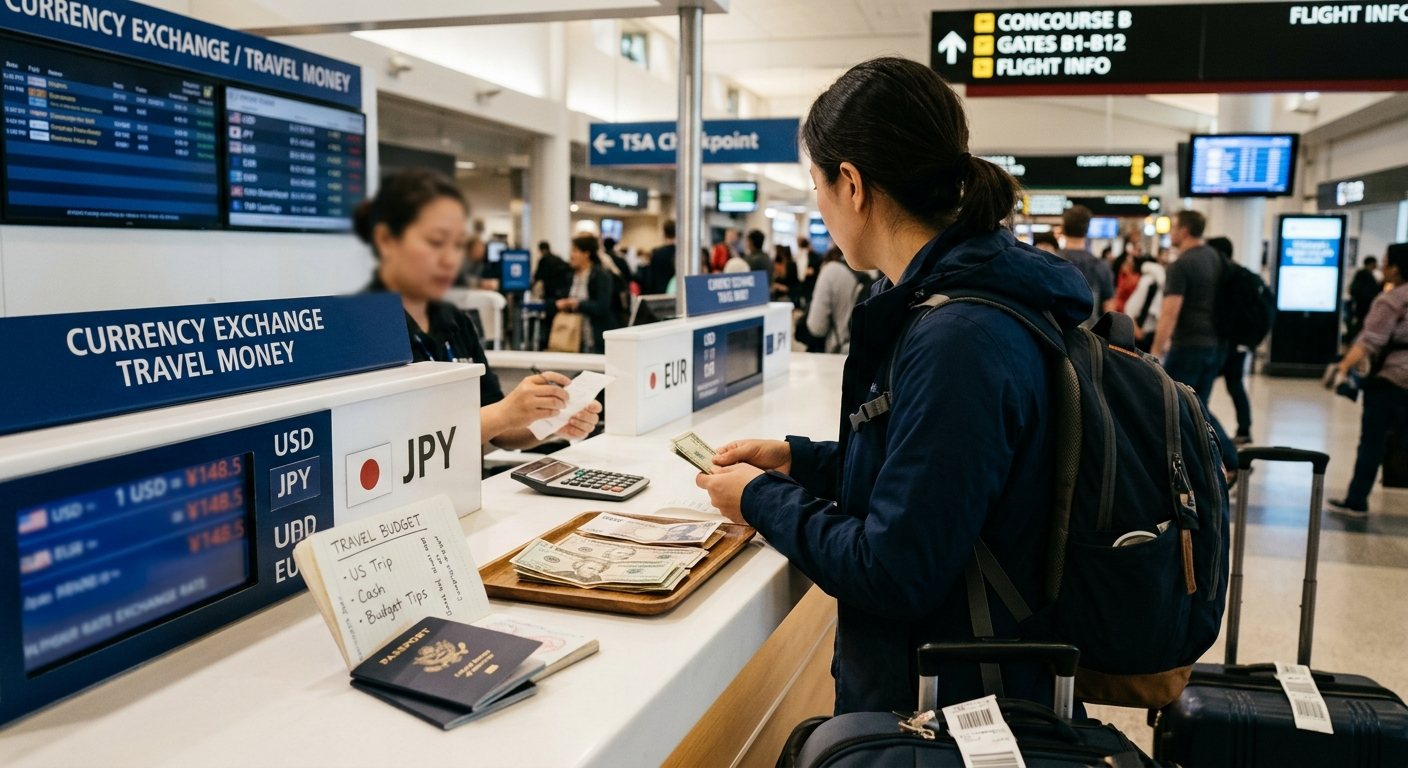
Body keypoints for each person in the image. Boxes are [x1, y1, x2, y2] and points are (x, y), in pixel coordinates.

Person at [694, 57, 1093, 715]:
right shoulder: (947, 305)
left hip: (957, 710)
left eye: (816, 187)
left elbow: (894, 569)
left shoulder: (958, 336)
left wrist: (761, 499)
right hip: (967, 681)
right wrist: (800, 460)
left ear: (850, 182)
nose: (819, 208)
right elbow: (929, 476)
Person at [355, 169, 600, 449]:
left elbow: (500, 434)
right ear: (387, 241)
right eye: (435, 242)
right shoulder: (364, 329)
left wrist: (552, 421)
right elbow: (397, 440)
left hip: (470, 489)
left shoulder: (455, 321)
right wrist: (503, 412)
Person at [1151, 210, 1237, 473]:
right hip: (1214, 346)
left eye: (1173, 228)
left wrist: (1154, 354)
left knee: (1170, 403)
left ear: (1184, 231)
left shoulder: (1182, 265)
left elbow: (1170, 313)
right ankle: (1215, 461)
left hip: (1188, 346)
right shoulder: (1216, 258)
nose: (1170, 233)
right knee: (1199, 408)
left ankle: (1229, 458)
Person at [1328, 244, 1408, 520]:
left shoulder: (1391, 300)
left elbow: (1370, 341)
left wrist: (1342, 367)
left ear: (1395, 268)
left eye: (1386, 263)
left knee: (1372, 441)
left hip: (1390, 381)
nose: (1383, 268)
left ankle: (1357, 500)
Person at [1205, 236, 1253, 445]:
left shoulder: (1228, 276)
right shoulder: (1241, 274)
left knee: (1201, 388)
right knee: (1235, 385)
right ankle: (1244, 429)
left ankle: (1217, 436)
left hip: (1228, 343)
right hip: (1239, 342)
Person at [555, 234, 620, 353]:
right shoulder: (570, 276)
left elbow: (603, 307)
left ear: (586, 253)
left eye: (575, 251)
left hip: (595, 338)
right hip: (575, 338)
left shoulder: (601, 275)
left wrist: (578, 304)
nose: (571, 255)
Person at [1057, 205, 1116, 323]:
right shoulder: (1101, 267)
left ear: (1063, 229)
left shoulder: (1049, 262)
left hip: (1054, 338)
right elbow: (1109, 310)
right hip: (1090, 338)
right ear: (1087, 229)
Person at [804, 246, 868, 353]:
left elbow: (817, 328)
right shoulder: (875, 271)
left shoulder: (831, 271)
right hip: (867, 353)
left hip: (838, 352)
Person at [1125, 256, 1165, 352]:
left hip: (1143, 332)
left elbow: (1131, 306)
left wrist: (1135, 327)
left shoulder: (1147, 280)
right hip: (1151, 332)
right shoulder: (1161, 281)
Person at [1347, 256, 1383, 341]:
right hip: (1365, 306)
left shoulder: (1363, 274)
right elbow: (1371, 291)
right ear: (1372, 264)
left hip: (1360, 305)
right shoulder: (1366, 274)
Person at [644, 220, 677, 295]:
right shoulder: (680, 253)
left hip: (659, 293)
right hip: (676, 292)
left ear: (664, 233)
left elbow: (650, 279)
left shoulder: (657, 253)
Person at [797, 237, 822, 308]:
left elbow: (812, 270)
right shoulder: (802, 254)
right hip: (806, 283)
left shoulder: (809, 255)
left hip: (809, 283)